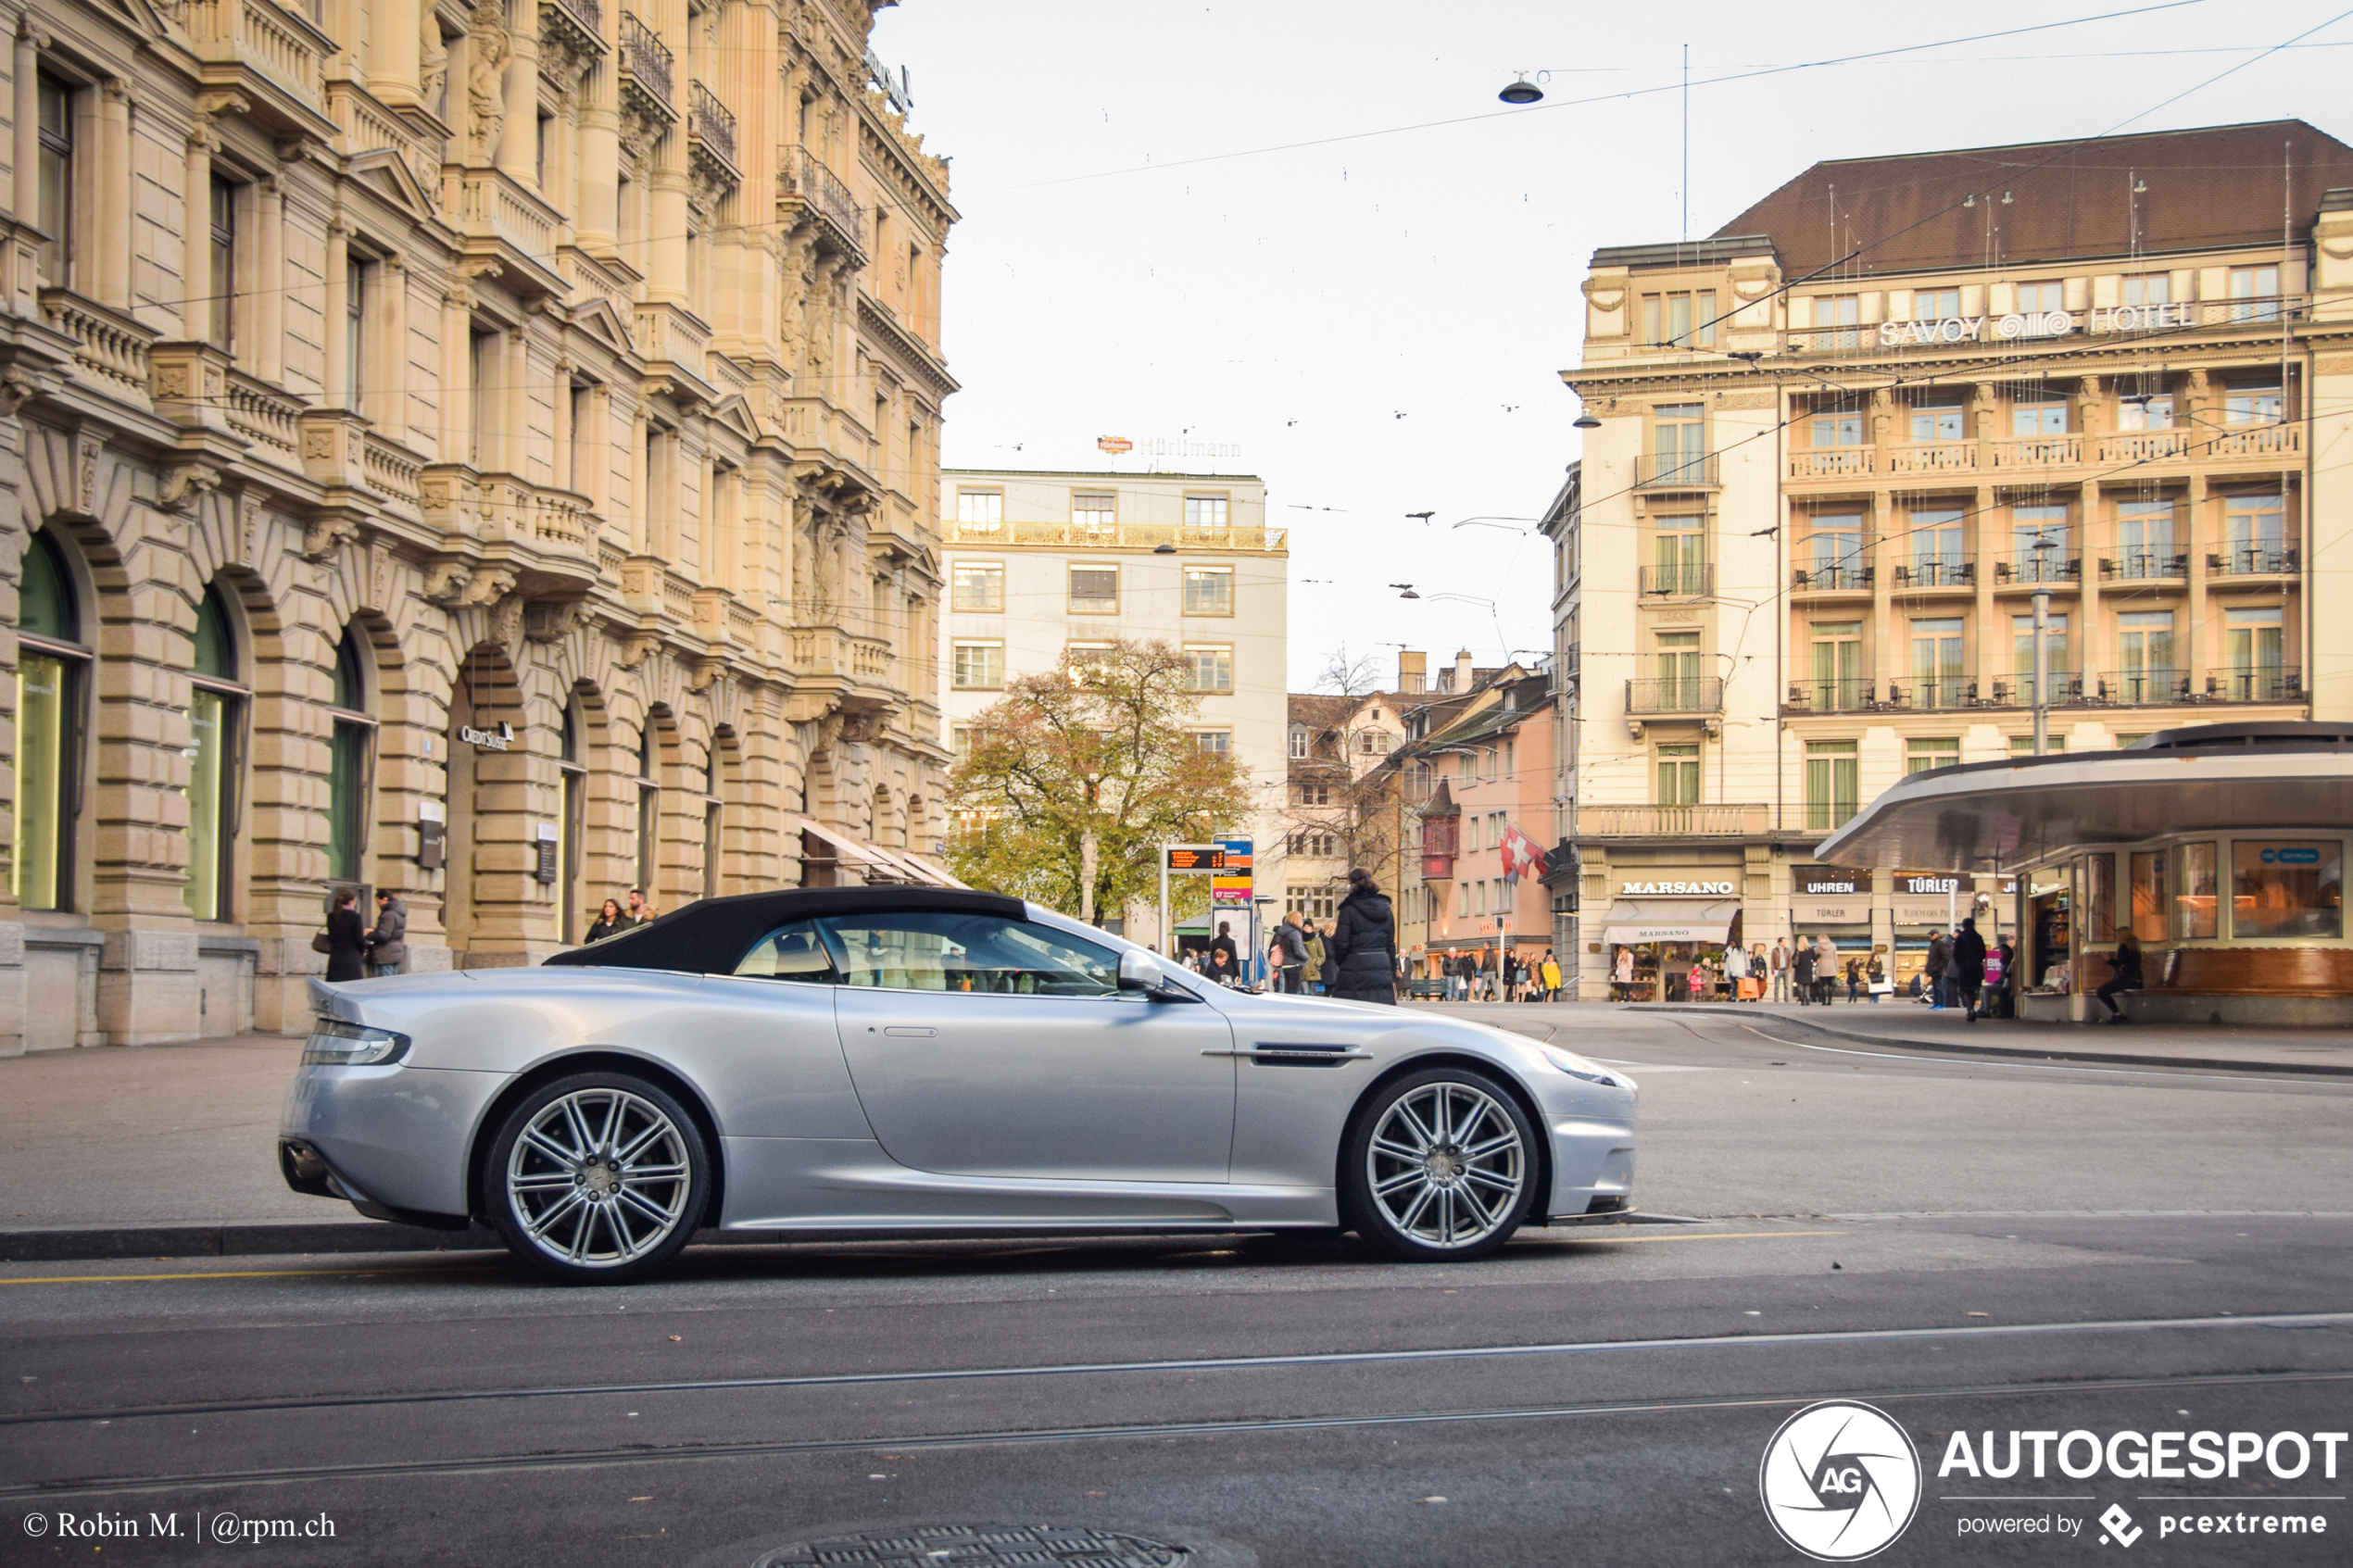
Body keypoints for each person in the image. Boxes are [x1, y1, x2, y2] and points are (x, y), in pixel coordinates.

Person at [1327, 867, 1398, 1004]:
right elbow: (1390, 943)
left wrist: (1341, 961)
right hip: (1381, 965)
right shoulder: (1386, 909)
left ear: (1352, 885)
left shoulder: (1348, 910)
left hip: (1354, 965)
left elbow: (1341, 943)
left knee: (1352, 1011)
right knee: (1380, 1009)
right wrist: (1391, 971)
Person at [323, 889, 369, 983]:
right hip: (352, 958)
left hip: (335, 958)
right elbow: (359, 938)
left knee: (335, 987)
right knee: (353, 987)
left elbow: (331, 937)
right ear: (351, 902)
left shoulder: (332, 917)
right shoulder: (355, 917)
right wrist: (364, 949)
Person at [2097, 933, 2144, 1023]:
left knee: (2101, 991)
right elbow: (2125, 965)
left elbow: (2120, 965)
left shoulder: (2123, 948)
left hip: (2126, 980)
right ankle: (2117, 1015)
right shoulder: (2135, 951)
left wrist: (2111, 961)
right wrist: (2110, 961)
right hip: (2135, 980)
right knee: (2104, 990)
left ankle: (2117, 1014)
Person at [1953, 916, 1988, 1022]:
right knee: (1973, 988)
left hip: (1964, 967)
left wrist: (1959, 964)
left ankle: (1970, 1008)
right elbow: (1983, 953)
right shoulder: (1978, 937)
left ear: (1963, 925)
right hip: (1976, 967)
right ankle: (1971, 1007)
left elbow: (1955, 953)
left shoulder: (1960, 937)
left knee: (1965, 988)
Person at [366, 889, 409, 977]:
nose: (378, 905)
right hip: (394, 953)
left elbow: (383, 935)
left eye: (378, 902)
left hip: (385, 955)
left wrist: (367, 935)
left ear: (385, 899)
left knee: (384, 984)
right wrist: (374, 930)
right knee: (391, 984)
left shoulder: (389, 914)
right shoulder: (398, 912)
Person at [1272, 910, 1309, 995]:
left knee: (1287, 990)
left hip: (1285, 964)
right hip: (1295, 965)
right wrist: (1306, 957)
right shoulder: (1294, 933)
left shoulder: (1283, 931)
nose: (1302, 922)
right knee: (1294, 991)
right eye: (1301, 919)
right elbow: (1298, 951)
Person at [1303, 918, 1332, 995]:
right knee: (1305, 992)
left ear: (1312, 928)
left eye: (1308, 926)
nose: (1306, 928)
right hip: (1303, 969)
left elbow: (1322, 955)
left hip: (1313, 970)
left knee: (1311, 992)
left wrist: (1317, 963)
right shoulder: (1299, 939)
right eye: (1305, 926)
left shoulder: (1317, 940)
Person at [1925, 928, 1952, 1010]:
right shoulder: (1932, 945)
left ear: (1937, 935)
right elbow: (1930, 958)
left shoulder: (1940, 944)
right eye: (1930, 935)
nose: (1930, 936)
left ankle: (1941, 1004)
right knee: (1936, 988)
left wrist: (1939, 967)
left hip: (1938, 969)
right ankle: (1936, 1003)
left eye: (1932, 935)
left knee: (1939, 987)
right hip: (1933, 969)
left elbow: (1946, 957)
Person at [1208, 921, 1239, 986]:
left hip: (1216, 970)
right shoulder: (1231, 942)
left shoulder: (1214, 942)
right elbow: (1234, 959)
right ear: (1228, 929)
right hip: (1229, 970)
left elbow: (1212, 957)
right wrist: (1238, 974)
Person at [1814, 933, 1839, 1006]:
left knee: (1823, 985)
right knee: (1830, 985)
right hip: (1831, 966)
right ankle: (1830, 1000)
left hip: (1822, 966)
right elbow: (1835, 957)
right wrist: (1837, 966)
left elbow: (1814, 953)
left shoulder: (1818, 946)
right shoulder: (1833, 946)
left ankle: (1824, 1000)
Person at [1792, 941, 1815, 1005]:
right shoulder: (1810, 950)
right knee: (1807, 985)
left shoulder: (1798, 950)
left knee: (1800, 984)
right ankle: (1807, 997)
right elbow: (1815, 958)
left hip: (1799, 969)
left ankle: (1801, 996)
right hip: (1807, 969)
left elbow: (1793, 958)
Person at [1770, 937, 1792, 1002]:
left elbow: (1790, 960)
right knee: (1777, 985)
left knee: (1786, 985)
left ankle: (1786, 998)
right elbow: (1772, 961)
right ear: (1780, 942)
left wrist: (1789, 968)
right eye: (1783, 942)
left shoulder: (1787, 950)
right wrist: (1773, 970)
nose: (1785, 943)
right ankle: (1776, 999)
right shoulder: (1775, 950)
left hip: (1785, 969)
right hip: (1777, 969)